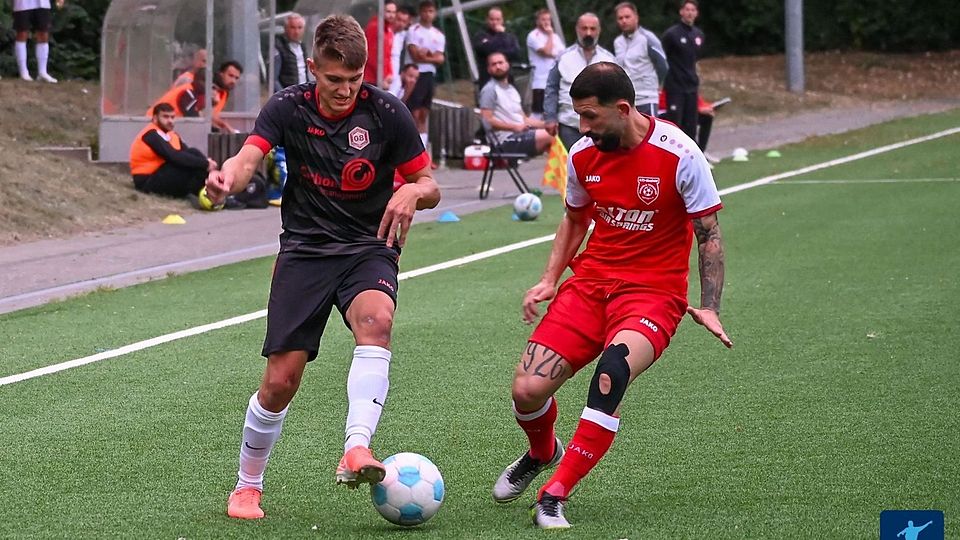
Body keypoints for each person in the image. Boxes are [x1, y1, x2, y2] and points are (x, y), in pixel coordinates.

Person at [205, 14, 440, 520]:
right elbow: (248, 158)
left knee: (376, 323)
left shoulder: (386, 111)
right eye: (334, 79)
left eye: (354, 79)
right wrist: (226, 180)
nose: (345, 89)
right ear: (314, 68)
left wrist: (411, 190)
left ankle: (357, 447)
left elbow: (430, 184)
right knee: (280, 382)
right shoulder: (288, 107)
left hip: (367, 246)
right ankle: (247, 486)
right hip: (306, 251)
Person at [491, 62, 732, 529]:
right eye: (578, 116)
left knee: (611, 373)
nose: (582, 127)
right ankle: (542, 452)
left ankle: (555, 492)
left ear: (623, 109)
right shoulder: (583, 154)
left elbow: (709, 234)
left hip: (652, 293)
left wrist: (710, 305)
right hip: (590, 285)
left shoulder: (681, 153)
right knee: (526, 389)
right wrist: (548, 278)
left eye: (590, 116)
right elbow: (575, 219)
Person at [543, 12, 615, 151]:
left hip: (601, 125)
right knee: (571, 167)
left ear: (599, 31)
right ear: (577, 29)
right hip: (569, 124)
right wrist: (550, 118)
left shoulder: (609, 59)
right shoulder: (563, 57)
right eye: (584, 28)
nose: (588, 32)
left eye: (593, 29)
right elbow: (551, 88)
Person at [129, 103, 218, 199]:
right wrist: (205, 163)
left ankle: (214, 192)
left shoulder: (172, 135)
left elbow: (188, 153)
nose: (170, 121)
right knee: (194, 163)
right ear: (155, 118)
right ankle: (211, 195)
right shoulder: (151, 134)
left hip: (163, 174)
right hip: (147, 181)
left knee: (193, 154)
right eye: (166, 117)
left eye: (172, 117)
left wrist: (207, 163)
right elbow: (172, 156)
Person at [478, 52, 552, 157]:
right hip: (504, 141)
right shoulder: (489, 90)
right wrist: (514, 127)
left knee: (556, 132)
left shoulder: (512, 89)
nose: (498, 66)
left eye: (500, 63)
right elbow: (487, 121)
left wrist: (549, 124)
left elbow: (525, 119)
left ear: (507, 64)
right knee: (551, 136)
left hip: (521, 135)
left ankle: (561, 172)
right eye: (493, 64)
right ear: (488, 69)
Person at [613, 2, 667, 116]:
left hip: (647, 98)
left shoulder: (648, 38)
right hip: (628, 100)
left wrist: (656, 85)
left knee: (650, 132)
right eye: (620, 18)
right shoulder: (618, 42)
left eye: (627, 17)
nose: (624, 21)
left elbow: (662, 65)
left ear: (636, 18)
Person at [405, 0, 445, 153]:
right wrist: (431, 56)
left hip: (429, 75)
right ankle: (411, 150)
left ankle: (423, 151)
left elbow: (441, 59)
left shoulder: (438, 35)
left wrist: (426, 55)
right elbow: (415, 55)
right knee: (413, 112)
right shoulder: (413, 30)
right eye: (425, 11)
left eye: (431, 11)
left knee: (423, 113)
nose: (428, 14)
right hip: (416, 73)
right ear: (421, 12)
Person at [661, 0, 705, 141]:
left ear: (696, 13)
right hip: (675, 87)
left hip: (691, 86)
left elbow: (694, 60)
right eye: (687, 9)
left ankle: (692, 159)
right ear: (681, 11)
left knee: (691, 126)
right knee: (674, 126)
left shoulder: (699, 35)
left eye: (693, 10)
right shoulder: (671, 34)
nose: (690, 12)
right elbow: (662, 59)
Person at [525, 9, 564, 120]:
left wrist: (553, 52)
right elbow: (546, 51)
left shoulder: (556, 37)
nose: (546, 22)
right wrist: (550, 35)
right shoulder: (533, 36)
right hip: (540, 82)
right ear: (537, 21)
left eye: (548, 19)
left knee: (555, 112)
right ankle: (530, 132)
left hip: (556, 79)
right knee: (538, 114)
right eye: (543, 19)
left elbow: (562, 55)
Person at [12, 0, 64, 83]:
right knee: (22, 33)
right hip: (22, 3)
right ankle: (23, 72)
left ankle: (42, 72)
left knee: (43, 34)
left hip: (42, 4)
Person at [473, 7, 520, 89]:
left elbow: (515, 53)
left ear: (502, 20)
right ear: (487, 19)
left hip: (508, 80)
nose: (495, 22)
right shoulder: (480, 35)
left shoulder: (509, 35)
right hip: (487, 81)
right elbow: (485, 50)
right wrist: (500, 35)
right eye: (492, 19)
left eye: (498, 19)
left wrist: (494, 48)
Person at [363, 1, 396, 89]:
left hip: (380, 78)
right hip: (370, 78)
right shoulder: (375, 27)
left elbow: (388, 55)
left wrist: (389, 73)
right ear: (381, 11)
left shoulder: (389, 30)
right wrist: (382, 77)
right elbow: (372, 55)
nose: (391, 15)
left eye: (393, 12)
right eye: (388, 11)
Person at [274, 13, 310, 92]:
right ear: (286, 28)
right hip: (289, 95)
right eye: (293, 28)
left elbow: (304, 72)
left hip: (303, 93)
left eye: (299, 28)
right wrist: (284, 96)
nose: (296, 32)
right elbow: (273, 79)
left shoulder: (302, 47)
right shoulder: (278, 46)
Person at [387, 4, 415, 96]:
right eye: (398, 19)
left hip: (395, 75)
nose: (400, 24)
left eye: (404, 21)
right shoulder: (385, 32)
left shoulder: (402, 35)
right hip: (383, 73)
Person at [211, 60, 244, 133]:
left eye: (236, 78)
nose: (233, 81)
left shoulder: (225, 93)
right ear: (221, 74)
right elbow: (207, 115)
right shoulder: (210, 90)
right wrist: (225, 126)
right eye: (230, 76)